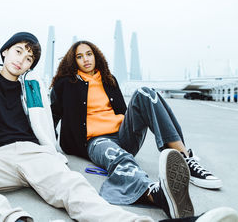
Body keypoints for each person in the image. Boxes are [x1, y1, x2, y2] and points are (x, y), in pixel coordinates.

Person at [0, 33, 232, 222]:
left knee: (76, 191)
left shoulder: (35, 88)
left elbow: (47, 126)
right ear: (5, 51)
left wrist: (56, 155)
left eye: (29, 58)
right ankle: (8, 219)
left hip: (33, 153)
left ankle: (162, 196)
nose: (23, 60)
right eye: (19, 51)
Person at [50, 40, 223, 219]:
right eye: (79, 56)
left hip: (123, 136)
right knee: (121, 159)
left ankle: (184, 158)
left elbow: (125, 111)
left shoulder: (108, 79)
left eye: (89, 54)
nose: (85, 59)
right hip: (96, 141)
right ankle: (156, 195)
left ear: (96, 55)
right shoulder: (65, 83)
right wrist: (49, 148)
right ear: (73, 61)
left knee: (145, 92)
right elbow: (53, 115)